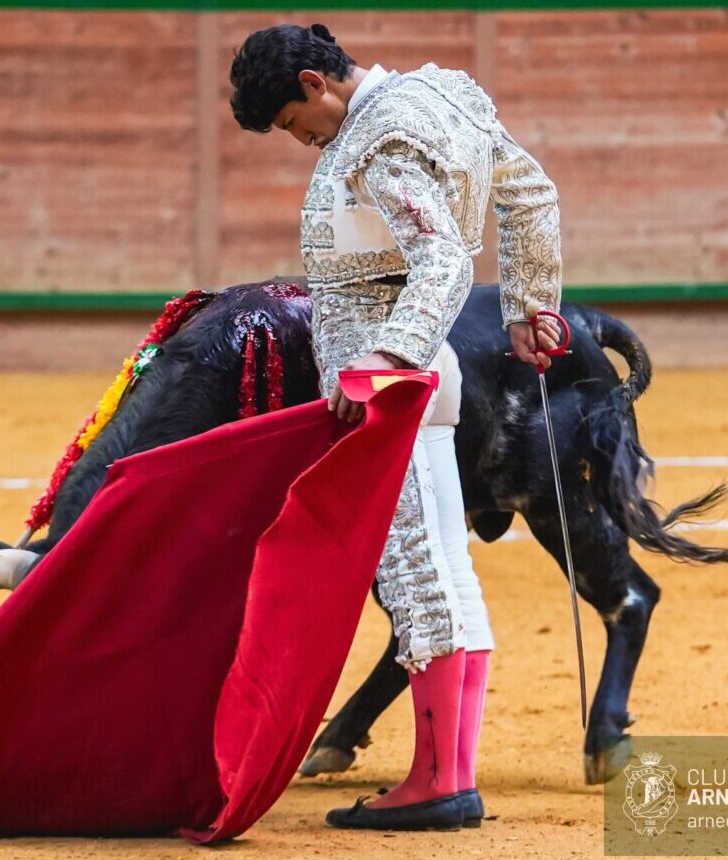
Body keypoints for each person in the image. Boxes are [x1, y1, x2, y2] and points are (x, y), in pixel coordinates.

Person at [230, 23, 564, 831]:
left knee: (418, 571)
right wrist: (529, 304)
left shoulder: (375, 140)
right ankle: (444, 770)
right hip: (422, 378)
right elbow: (532, 192)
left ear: (316, 83)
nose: (301, 140)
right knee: (445, 565)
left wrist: (384, 359)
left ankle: (439, 783)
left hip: (396, 392)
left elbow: (444, 261)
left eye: (291, 123)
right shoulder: (446, 93)